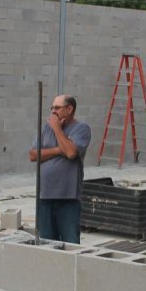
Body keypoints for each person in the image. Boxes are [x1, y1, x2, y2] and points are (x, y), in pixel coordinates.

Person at [29, 94, 92, 243]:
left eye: (57, 108)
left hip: (67, 197)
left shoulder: (81, 129)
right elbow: (33, 155)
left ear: (69, 109)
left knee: (70, 242)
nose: (53, 112)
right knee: (46, 242)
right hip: (45, 196)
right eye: (52, 108)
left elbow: (70, 153)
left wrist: (57, 129)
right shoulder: (45, 128)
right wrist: (58, 150)